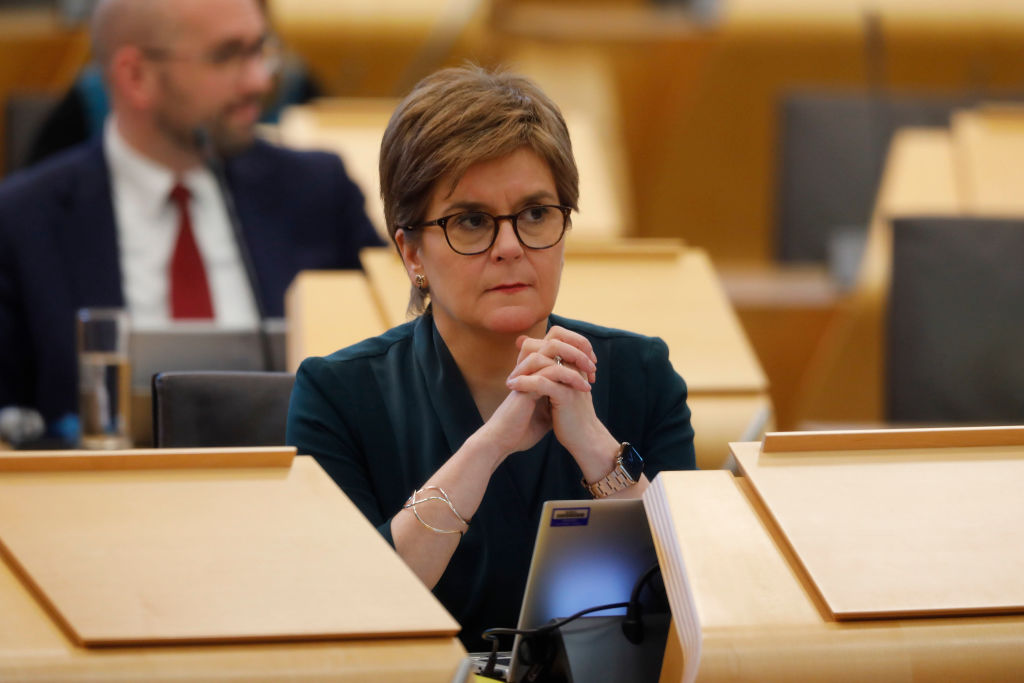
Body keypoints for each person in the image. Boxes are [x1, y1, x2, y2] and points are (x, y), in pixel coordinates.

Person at [286, 65, 696, 650]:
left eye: (534, 214)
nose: (510, 247)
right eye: (472, 222)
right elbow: (348, 612)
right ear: (412, 254)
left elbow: (694, 595)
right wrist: (488, 446)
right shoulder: (338, 394)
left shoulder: (641, 374)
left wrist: (601, 456)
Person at [0, 0, 380, 441]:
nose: (260, 79)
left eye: (260, 49)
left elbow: (395, 363)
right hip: (105, 496)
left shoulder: (318, 192)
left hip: (298, 486)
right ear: (135, 76)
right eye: (227, 55)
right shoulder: (22, 221)